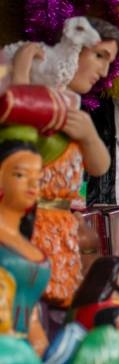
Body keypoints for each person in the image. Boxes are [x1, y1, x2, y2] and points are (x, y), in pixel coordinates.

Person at [8, 18, 119, 315]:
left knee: (60, 306)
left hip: (63, 230)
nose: (104, 72)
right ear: (76, 51)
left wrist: (89, 136)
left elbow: (100, 167)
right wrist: (21, 72)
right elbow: (19, 138)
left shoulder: (72, 110)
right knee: (30, 304)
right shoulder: (44, 105)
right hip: (31, 226)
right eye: (99, 56)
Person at [0, 139, 50, 336]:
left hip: (24, 346)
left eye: (38, 179)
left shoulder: (27, 243)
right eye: (20, 175)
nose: (32, 185)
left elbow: (31, 311)